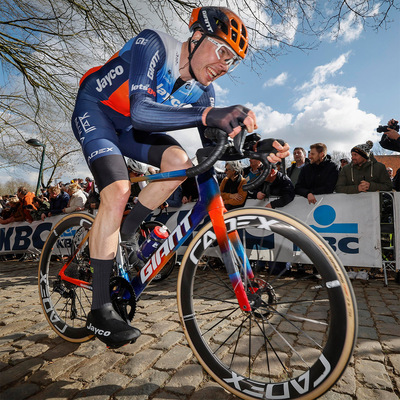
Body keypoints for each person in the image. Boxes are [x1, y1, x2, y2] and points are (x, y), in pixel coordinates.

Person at [71, 6, 289, 348]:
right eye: (222, 52)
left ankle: (128, 231)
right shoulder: (154, 44)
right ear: (197, 36)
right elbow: (142, 111)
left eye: (232, 62)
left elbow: (215, 149)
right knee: (118, 189)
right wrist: (208, 115)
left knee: (179, 160)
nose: (223, 66)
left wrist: (257, 147)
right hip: (97, 110)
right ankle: (100, 308)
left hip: (129, 128)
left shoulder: (204, 92)